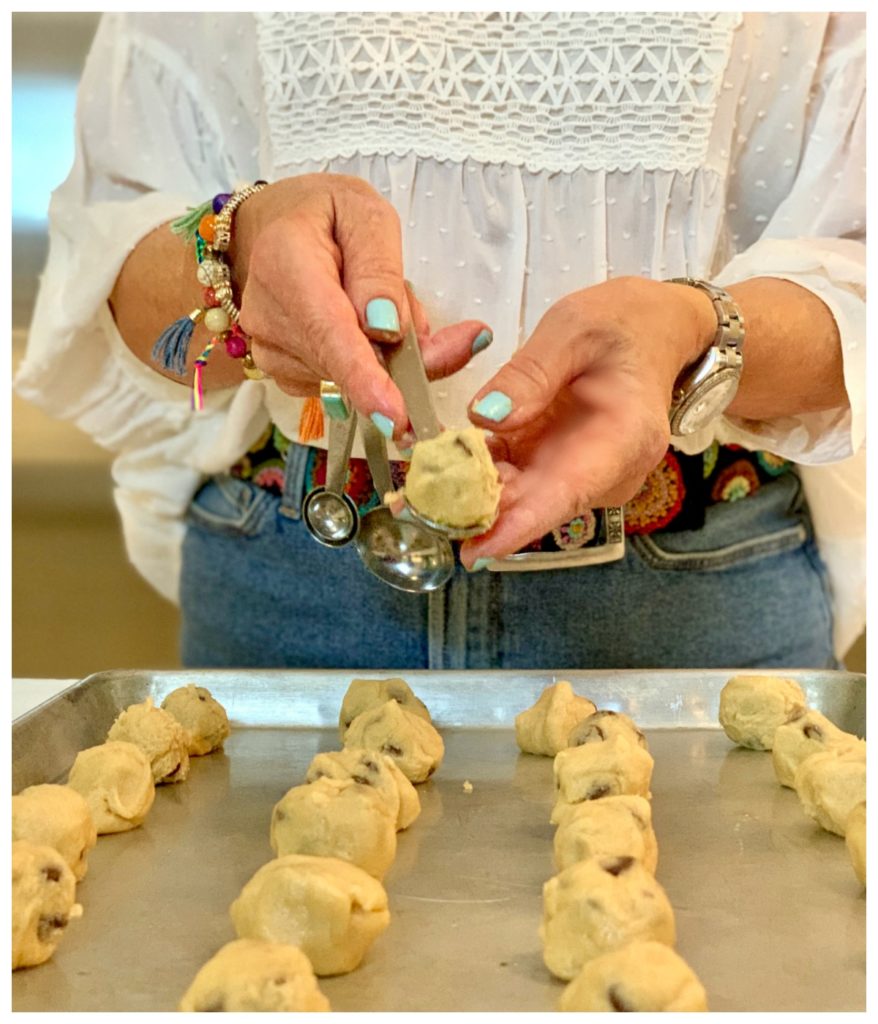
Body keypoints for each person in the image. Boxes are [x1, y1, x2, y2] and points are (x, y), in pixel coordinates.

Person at [15, 12, 866, 670]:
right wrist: (235, 253)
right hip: (299, 577)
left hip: (697, 596)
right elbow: (115, 269)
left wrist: (692, 332)